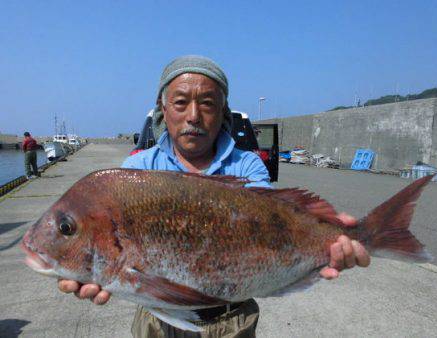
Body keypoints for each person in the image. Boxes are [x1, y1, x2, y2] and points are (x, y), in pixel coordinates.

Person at [58, 55, 370, 338]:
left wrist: (327, 239)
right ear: (162, 109)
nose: (193, 115)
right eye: (181, 102)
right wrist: (89, 271)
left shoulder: (246, 165)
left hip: (232, 321)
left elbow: (273, 222)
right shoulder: (137, 169)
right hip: (157, 321)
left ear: (222, 112)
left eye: (207, 103)